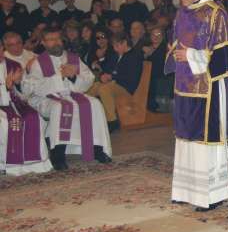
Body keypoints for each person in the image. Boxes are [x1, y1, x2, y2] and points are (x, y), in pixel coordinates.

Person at [165, 0, 228, 212]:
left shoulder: (217, 15)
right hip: (184, 84)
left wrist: (192, 55)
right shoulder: (181, 14)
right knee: (185, 136)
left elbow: (227, 55)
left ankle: (211, 195)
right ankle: (187, 189)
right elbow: (177, 41)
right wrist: (174, 50)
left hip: (208, 88)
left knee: (205, 140)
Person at [24, 27, 112, 170]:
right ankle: (58, 154)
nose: (56, 43)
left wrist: (73, 76)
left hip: (73, 94)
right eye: (51, 40)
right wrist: (60, 77)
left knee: (95, 104)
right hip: (47, 98)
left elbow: (88, 78)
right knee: (60, 107)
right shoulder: (38, 62)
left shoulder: (73, 58)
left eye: (58, 39)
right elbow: (34, 87)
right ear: (44, 44)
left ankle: (97, 149)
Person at [0, 41, 52, 175]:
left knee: (33, 116)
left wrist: (17, 84)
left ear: (2, 48)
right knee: (5, 123)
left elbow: (25, 92)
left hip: (15, 103)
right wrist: (6, 87)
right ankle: (9, 164)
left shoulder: (14, 65)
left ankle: (35, 164)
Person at [87, 32, 143, 132]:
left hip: (125, 87)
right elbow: (106, 69)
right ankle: (85, 114)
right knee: (94, 86)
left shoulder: (135, 56)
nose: (115, 49)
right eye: (114, 46)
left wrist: (112, 76)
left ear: (125, 43)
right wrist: (102, 76)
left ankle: (112, 121)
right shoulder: (115, 55)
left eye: (117, 46)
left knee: (104, 89)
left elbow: (130, 77)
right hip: (113, 83)